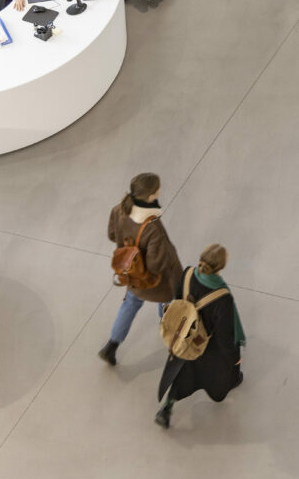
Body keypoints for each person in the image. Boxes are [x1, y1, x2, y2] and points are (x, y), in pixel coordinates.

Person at [155, 243, 245, 428]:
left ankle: (167, 408)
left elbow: (178, 301)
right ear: (221, 268)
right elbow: (225, 335)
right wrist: (234, 358)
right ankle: (229, 383)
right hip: (206, 344)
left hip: (185, 337)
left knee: (182, 374)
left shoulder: (187, 274)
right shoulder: (222, 297)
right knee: (215, 379)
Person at [98, 172, 183, 366]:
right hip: (157, 282)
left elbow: (112, 235)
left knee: (129, 305)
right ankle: (173, 344)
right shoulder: (152, 226)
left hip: (133, 275)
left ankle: (111, 346)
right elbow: (155, 265)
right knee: (168, 307)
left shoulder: (119, 210)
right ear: (152, 195)